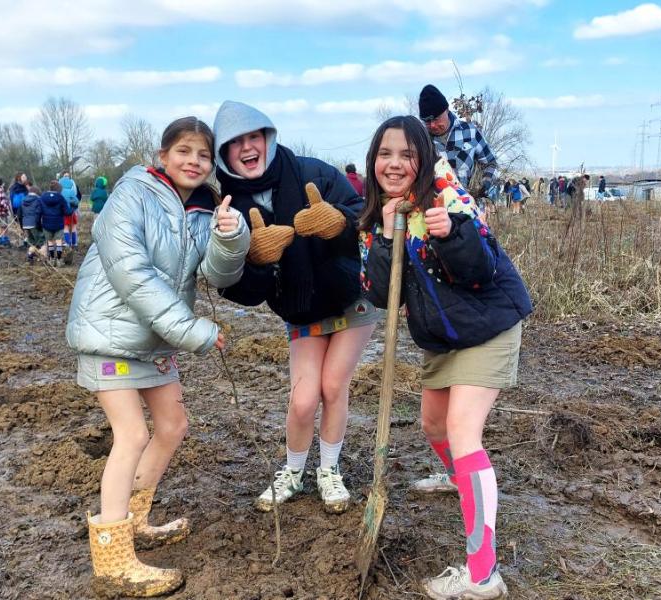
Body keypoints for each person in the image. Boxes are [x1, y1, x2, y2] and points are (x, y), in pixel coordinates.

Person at [66, 116, 250, 597]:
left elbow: (218, 275)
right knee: (131, 435)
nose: (194, 161)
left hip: (154, 340)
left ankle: (137, 518)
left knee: (172, 426)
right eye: (184, 151)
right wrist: (193, 331)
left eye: (204, 155)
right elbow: (133, 275)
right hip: (109, 334)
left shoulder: (205, 210)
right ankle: (112, 558)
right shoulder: (130, 196)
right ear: (162, 155)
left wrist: (230, 235)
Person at [360, 115, 532, 599]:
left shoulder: (448, 197)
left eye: (407, 154)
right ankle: (466, 483)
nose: (394, 164)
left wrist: (451, 234)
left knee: (462, 432)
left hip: (487, 326)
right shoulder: (377, 218)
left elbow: (482, 271)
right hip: (443, 339)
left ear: (424, 157)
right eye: (385, 154)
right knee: (434, 426)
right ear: (374, 160)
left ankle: (483, 575)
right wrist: (388, 239)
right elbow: (377, 295)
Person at [212, 100, 379, 514]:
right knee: (304, 400)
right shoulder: (227, 207)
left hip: (351, 298)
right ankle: (292, 472)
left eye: (255, 137)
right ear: (223, 154)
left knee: (333, 386)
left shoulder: (312, 173)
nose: (248, 148)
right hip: (301, 309)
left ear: (268, 138)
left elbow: (366, 219)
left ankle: (329, 471)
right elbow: (237, 286)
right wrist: (254, 261)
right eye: (236, 143)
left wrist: (339, 222)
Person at [418, 84, 498, 198]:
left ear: (446, 110)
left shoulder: (470, 131)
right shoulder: (421, 141)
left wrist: (484, 185)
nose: (433, 125)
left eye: (436, 119)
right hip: (436, 209)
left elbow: (491, 163)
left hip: (469, 206)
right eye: (427, 121)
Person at [38, 181, 72, 267]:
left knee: (50, 242)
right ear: (59, 189)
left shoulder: (42, 197)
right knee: (59, 241)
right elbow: (67, 212)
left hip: (46, 223)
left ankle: (52, 259)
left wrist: (38, 221)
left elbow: (39, 211)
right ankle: (59, 260)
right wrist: (73, 208)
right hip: (58, 224)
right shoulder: (61, 198)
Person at [18, 185, 44, 263]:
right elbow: (39, 213)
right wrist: (40, 225)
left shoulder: (23, 200)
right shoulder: (38, 200)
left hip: (26, 224)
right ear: (37, 192)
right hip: (34, 224)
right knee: (41, 241)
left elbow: (19, 214)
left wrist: (22, 226)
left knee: (32, 242)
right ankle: (41, 258)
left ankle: (30, 256)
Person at [59, 171, 81, 249]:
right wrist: (71, 201)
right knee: (73, 227)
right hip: (71, 212)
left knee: (65, 228)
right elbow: (76, 201)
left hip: (63, 213)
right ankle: (74, 244)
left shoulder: (60, 192)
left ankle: (68, 244)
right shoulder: (71, 191)